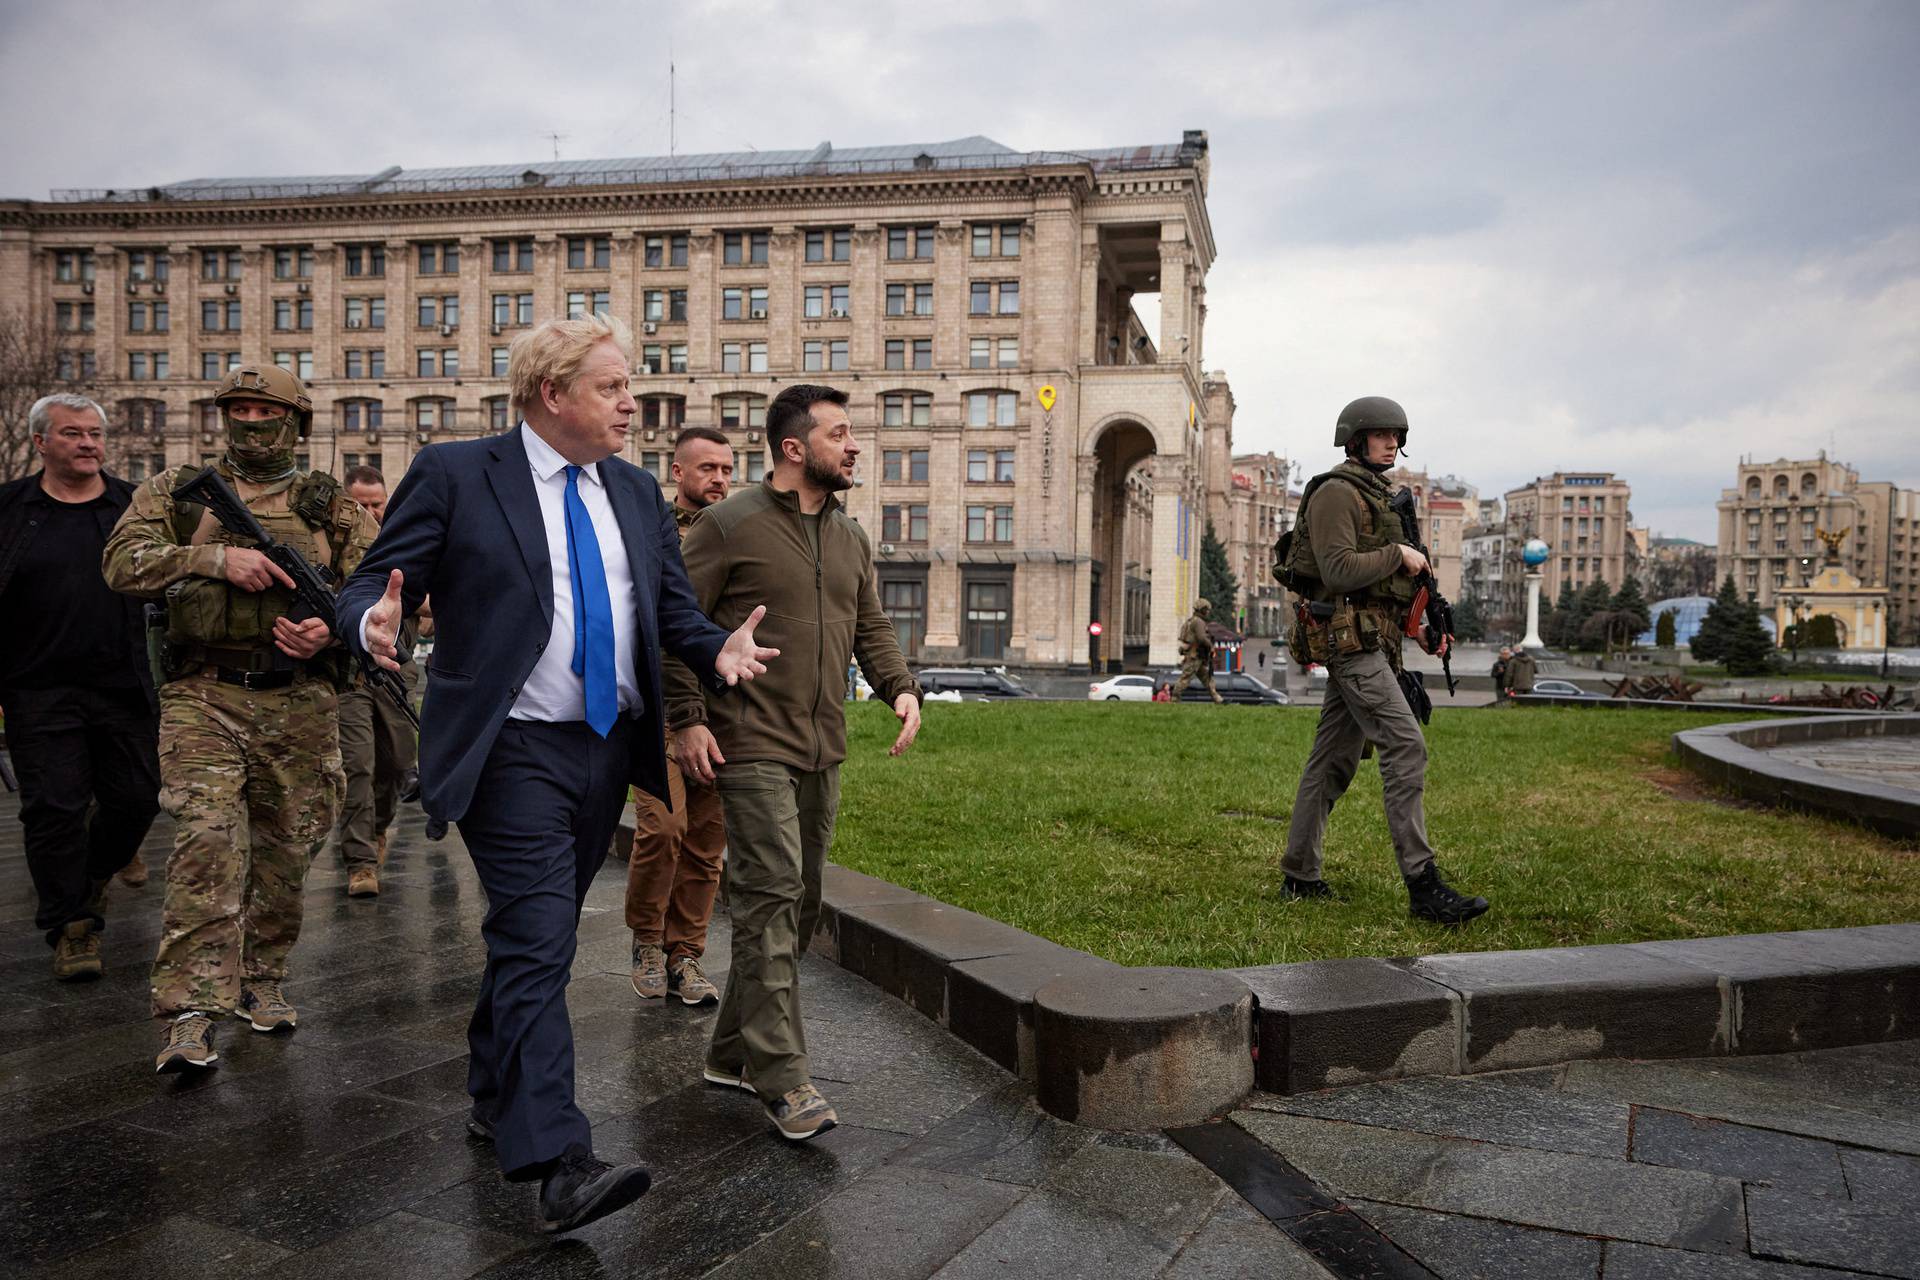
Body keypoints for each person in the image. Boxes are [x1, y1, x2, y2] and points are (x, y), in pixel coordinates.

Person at [336, 314, 776, 1235]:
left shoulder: (636, 493)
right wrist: (370, 622)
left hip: (605, 750)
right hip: (509, 749)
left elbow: (665, 610)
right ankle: (556, 1160)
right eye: (615, 388)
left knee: (536, 939)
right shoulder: (459, 473)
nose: (633, 403)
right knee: (540, 937)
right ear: (552, 394)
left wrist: (717, 648)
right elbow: (380, 580)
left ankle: (494, 1089)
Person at [669, 383, 922, 1143]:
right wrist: (685, 720)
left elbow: (868, 621)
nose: (854, 446)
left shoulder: (849, 536)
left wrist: (900, 688)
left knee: (800, 901)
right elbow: (670, 622)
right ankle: (783, 1078)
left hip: (822, 744)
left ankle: (729, 1054)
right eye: (840, 434)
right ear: (793, 448)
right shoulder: (726, 525)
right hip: (746, 741)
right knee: (772, 893)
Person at [102, 366, 376, 1066]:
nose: (251, 421)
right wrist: (215, 558)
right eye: (240, 409)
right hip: (204, 694)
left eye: (267, 410)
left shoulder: (330, 505)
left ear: (297, 421)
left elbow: (380, 593)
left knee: (287, 853)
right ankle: (189, 1010)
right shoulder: (176, 492)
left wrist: (333, 628)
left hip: (302, 701)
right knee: (207, 843)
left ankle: (262, 978)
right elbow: (121, 564)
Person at [1277, 396, 1488, 924]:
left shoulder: (1382, 496)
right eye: (1382, 434)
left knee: (1332, 762)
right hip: (1348, 643)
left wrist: (1424, 627)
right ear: (1355, 439)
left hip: (1374, 639)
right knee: (1405, 744)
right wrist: (1399, 554)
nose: (1393, 442)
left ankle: (1299, 875)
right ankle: (1423, 885)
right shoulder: (1336, 493)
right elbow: (1339, 569)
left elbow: (1386, 592)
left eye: (1397, 435)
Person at [0, 394, 161, 980]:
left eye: (95, 433)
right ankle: (72, 927)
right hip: (37, 689)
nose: (89, 443)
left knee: (139, 800)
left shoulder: (133, 507)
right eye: (73, 434)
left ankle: (90, 877)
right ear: (41, 442)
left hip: (126, 687)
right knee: (53, 809)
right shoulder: (11, 509)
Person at [627, 427, 733, 1006]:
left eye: (726, 469)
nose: (719, 479)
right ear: (677, 472)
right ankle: (646, 939)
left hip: (721, 715)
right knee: (663, 828)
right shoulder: (652, 531)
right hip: (658, 712)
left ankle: (685, 954)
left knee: (705, 841)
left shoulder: (738, 531)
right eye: (707, 469)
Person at [331, 464, 420, 897]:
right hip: (348, 676)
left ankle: (378, 829)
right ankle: (360, 861)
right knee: (358, 767)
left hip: (397, 676)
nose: (369, 512)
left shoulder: (405, 543)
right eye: (360, 504)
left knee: (398, 765)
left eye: (376, 503)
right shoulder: (333, 544)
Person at [1170, 598, 1223, 702]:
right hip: (1195, 656)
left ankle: (1217, 698)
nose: (1208, 612)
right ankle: (1174, 699)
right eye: (1206, 609)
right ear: (1201, 609)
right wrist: (1210, 646)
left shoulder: (1192, 620)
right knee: (1185, 678)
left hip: (1197, 656)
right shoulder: (1199, 622)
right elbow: (1201, 638)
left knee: (1207, 679)